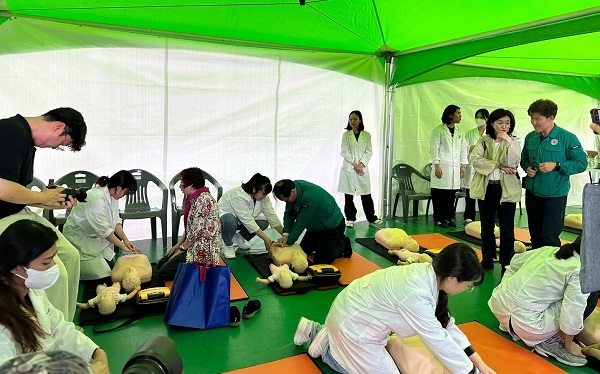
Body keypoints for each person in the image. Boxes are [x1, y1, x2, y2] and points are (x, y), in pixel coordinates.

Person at [294, 243, 494, 374]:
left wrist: (480, 364)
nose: (467, 289)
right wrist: (471, 372)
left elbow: (446, 326)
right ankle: (327, 346)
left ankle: (323, 332)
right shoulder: (417, 293)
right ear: (452, 278)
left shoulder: (430, 275)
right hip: (354, 326)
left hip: (352, 310)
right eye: (468, 286)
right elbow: (438, 341)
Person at [0, 108, 87, 323]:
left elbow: (18, 192)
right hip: (4, 218)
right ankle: (53, 336)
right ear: (59, 127)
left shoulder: (25, 140)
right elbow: (2, 188)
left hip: (17, 213)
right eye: (62, 144)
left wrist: (50, 199)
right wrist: (43, 198)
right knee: (58, 274)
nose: (57, 147)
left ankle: (65, 324)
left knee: (72, 257)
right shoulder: (11, 132)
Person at [0, 220, 108, 373]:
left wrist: (95, 352)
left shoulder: (31, 291)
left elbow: (58, 328)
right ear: (17, 268)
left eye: (53, 258)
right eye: (46, 263)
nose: (54, 267)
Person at [488, 236, 593, 367]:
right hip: (529, 326)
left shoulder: (549, 250)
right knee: (590, 294)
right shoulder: (580, 271)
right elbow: (572, 311)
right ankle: (549, 342)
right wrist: (569, 346)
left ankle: (509, 325)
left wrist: (507, 292)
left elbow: (513, 265)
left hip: (498, 305)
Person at [521, 99, 587, 249]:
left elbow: (581, 163)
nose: (534, 122)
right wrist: (527, 168)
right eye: (532, 117)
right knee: (535, 235)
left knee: (549, 237)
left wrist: (557, 165)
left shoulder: (567, 138)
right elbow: (524, 159)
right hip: (533, 194)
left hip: (555, 196)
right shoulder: (530, 137)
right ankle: (537, 268)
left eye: (538, 118)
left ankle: (551, 271)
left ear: (551, 117)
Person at [470, 109, 521, 273]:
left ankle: (507, 261)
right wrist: (498, 164)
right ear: (492, 123)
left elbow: (512, 162)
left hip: (506, 189)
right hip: (487, 187)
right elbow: (475, 161)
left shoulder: (514, 141)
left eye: (507, 123)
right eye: (500, 122)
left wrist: (508, 142)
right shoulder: (484, 141)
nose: (504, 126)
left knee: (507, 228)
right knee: (486, 226)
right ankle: (487, 258)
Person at [63, 171, 140, 280]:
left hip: (94, 241)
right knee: (106, 277)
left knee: (113, 268)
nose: (124, 196)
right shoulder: (96, 197)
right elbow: (104, 232)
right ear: (119, 188)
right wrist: (122, 246)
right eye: (126, 192)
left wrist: (125, 240)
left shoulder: (112, 196)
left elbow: (115, 221)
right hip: (79, 241)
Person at [157, 168, 221, 281]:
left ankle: (197, 272)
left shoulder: (203, 200)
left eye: (182, 182)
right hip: (192, 243)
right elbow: (190, 229)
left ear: (191, 184)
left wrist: (181, 250)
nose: (180, 186)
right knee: (162, 263)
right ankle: (190, 269)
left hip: (202, 249)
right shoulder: (192, 198)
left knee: (164, 272)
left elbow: (195, 234)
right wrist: (178, 246)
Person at [273, 179, 351, 264]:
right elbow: (289, 213)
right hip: (316, 226)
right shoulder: (291, 189)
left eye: (286, 200)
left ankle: (343, 244)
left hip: (332, 226)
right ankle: (326, 242)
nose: (286, 202)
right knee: (304, 250)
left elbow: (301, 222)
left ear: (292, 191)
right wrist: (285, 234)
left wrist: (289, 241)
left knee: (321, 260)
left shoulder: (310, 197)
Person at [218, 173, 284, 259]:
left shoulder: (263, 198)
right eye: (263, 193)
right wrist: (266, 238)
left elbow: (272, 216)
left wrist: (284, 235)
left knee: (264, 222)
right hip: (225, 220)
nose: (264, 196)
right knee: (229, 220)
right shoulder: (238, 196)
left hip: (241, 221)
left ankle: (239, 237)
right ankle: (228, 245)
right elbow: (248, 221)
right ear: (254, 189)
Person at [337, 110, 383, 228]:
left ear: (360, 120)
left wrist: (361, 164)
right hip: (349, 168)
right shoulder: (346, 135)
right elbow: (344, 151)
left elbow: (369, 151)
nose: (352, 121)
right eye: (350, 119)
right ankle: (350, 218)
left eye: (355, 119)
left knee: (366, 195)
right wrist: (354, 164)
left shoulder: (366, 135)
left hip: (361, 169)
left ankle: (371, 218)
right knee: (348, 196)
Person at [430, 104, 468, 228]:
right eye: (458, 113)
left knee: (451, 194)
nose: (460, 116)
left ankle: (448, 218)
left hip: (455, 167)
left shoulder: (460, 132)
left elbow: (463, 149)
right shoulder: (438, 130)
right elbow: (433, 148)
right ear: (451, 115)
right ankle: (439, 218)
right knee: (440, 194)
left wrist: (463, 165)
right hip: (442, 166)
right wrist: (436, 164)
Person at [462, 108, 489, 224]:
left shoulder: (491, 133)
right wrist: (470, 148)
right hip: (472, 165)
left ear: (487, 119)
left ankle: (486, 216)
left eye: (481, 117)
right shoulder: (469, 133)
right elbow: (463, 149)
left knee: (486, 192)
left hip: (485, 166)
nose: (479, 120)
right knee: (470, 192)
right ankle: (469, 215)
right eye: (477, 117)